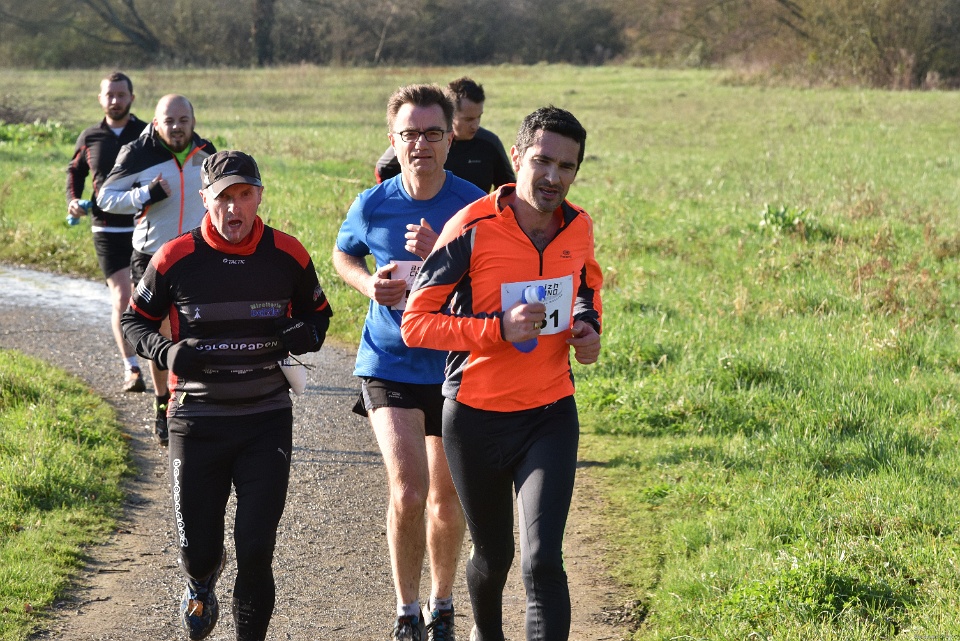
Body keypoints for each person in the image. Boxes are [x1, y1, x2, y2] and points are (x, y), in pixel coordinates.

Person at [400, 107, 603, 641]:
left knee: (543, 560)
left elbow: (585, 286)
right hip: (476, 419)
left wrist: (587, 327)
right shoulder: (471, 227)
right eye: (542, 161)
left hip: (549, 414)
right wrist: (498, 329)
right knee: (494, 556)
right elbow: (416, 325)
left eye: (566, 166)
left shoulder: (578, 227)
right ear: (516, 158)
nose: (553, 177)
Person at [121, 150, 332, 641]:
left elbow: (319, 317)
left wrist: (302, 334)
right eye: (223, 198)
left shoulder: (288, 254)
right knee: (199, 551)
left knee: (256, 549)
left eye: (244, 195)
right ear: (204, 199)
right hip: (196, 420)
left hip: (266, 419)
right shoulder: (174, 257)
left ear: (259, 196)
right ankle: (200, 581)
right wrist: (167, 352)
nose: (234, 208)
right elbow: (135, 322)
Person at [333, 84, 485, 641]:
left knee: (446, 500)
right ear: (393, 140)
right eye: (409, 134)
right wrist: (367, 284)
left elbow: (491, 282)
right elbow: (343, 253)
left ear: (450, 139)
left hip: (453, 365)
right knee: (409, 492)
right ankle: (406, 610)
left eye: (432, 133)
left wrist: (438, 256)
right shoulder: (373, 203)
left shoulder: (474, 205)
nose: (420, 144)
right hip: (388, 362)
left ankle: (442, 605)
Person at [98, 94, 216, 446]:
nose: (176, 127)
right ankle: (163, 403)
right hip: (151, 255)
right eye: (169, 121)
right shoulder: (137, 153)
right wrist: (144, 195)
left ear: (193, 121)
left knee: (197, 329)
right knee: (161, 331)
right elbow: (105, 197)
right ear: (156, 123)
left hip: (195, 254)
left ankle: (196, 401)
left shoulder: (206, 154)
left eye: (183, 120)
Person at [65, 71, 148, 393]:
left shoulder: (147, 134)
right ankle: (132, 369)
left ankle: (164, 364)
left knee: (151, 298)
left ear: (131, 98)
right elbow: (75, 171)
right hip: (106, 227)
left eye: (121, 95)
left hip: (144, 226)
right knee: (123, 298)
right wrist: (73, 201)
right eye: (109, 95)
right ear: (101, 99)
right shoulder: (90, 136)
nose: (115, 100)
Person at [375, 77, 514, 193]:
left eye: (479, 117)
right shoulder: (422, 140)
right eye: (469, 119)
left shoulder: (489, 143)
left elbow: (509, 187)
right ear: (450, 115)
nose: (475, 125)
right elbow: (383, 167)